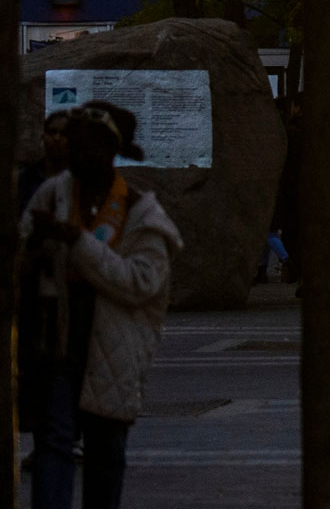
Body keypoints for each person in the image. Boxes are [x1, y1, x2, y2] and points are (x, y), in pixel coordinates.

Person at [20, 102, 179, 509]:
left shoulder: (140, 212)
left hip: (114, 346)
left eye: (92, 148)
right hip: (57, 342)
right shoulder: (53, 194)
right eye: (76, 147)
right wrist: (33, 250)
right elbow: (21, 253)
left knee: (106, 453)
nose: (81, 157)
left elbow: (142, 283)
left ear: (112, 152)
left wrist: (77, 242)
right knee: (54, 443)